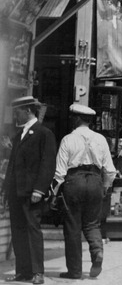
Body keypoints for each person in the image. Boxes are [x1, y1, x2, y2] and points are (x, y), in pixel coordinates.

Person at [51, 103, 116, 280]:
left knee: (72, 226)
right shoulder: (101, 139)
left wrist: (54, 193)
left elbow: (60, 172)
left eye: (73, 117)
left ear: (77, 118)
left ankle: (75, 271)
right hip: (95, 181)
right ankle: (97, 252)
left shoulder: (67, 139)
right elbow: (110, 170)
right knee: (92, 223)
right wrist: (104, 187)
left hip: (74, 181)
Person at [2, 97, 57, 285]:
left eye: (17, 111)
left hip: (32, 193)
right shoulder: (19, 136)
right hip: (16, 192)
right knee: (18, 231)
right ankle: (23, 271)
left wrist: (40, 190)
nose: (15, 115)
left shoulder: (44, 133)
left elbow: (48, 164)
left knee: (33, 230)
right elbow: (12, 167)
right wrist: (5, 191)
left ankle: (37, 272)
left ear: (27, 111)